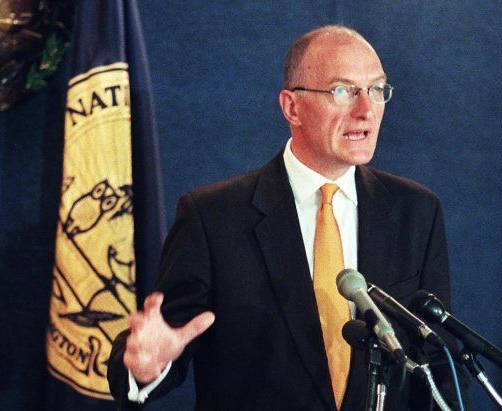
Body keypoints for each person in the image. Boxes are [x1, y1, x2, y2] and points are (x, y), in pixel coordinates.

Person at [108, 25, 467, 410]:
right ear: (291, 107)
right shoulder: (213, 218)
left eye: (377, 90)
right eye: (343, 91)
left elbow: (436, 362)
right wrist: (145, 367)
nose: (366, 109)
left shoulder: (415, 211)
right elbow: (163, 344)